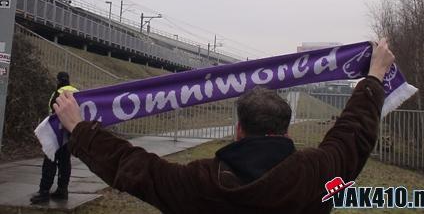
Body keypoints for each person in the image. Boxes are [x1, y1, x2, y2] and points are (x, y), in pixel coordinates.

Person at [53, 39, 394, 213]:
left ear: (238, 131)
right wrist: (375, 75)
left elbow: (132, 167)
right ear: (287, 132)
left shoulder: (199, 183)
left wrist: (80, 128)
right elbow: (354, 135)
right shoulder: (316, 174)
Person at [30, 72, 78, 204]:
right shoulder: (76, 92)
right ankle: (63, 190)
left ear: (58, 81)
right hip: (69, 135)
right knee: (65, 163)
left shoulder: (57, 93)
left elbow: (53, 112)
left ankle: (43, 192)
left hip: (55, 134)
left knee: (49, 162)